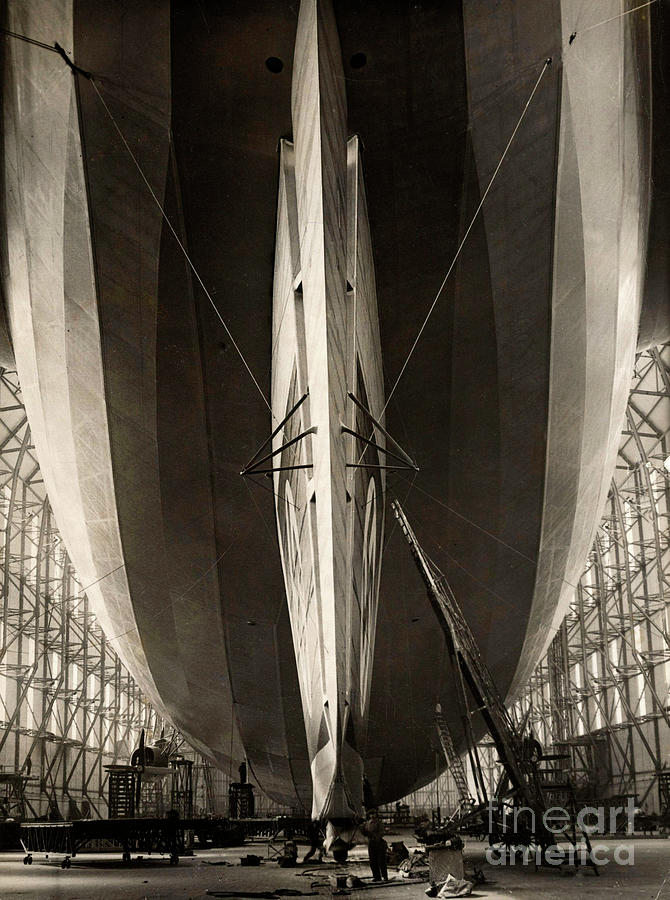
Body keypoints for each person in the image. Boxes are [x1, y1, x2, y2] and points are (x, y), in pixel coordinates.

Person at [363, 809, 388, 882]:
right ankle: (377, 877)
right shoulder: (367, 823)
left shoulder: (379, 823)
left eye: (374, 814)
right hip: (371, 843)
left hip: (379, 843)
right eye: (371, 814)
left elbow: (382, 832)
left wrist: (377, 836)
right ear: (369, 815)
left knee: (381, 861)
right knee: (373, 861)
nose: (372, 815)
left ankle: (384, 876)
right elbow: (365, 832)